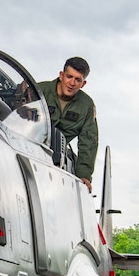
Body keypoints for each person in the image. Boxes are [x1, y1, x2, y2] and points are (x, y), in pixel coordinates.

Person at [38, 57, 98, 192]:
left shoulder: (86, 105)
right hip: (31, 147)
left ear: (83, 84)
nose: (72, 83)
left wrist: (84, 175)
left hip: (59, 160)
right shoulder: (39, 90)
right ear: (61, 75)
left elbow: (89, 141)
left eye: (78, 80)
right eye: (69, 76)